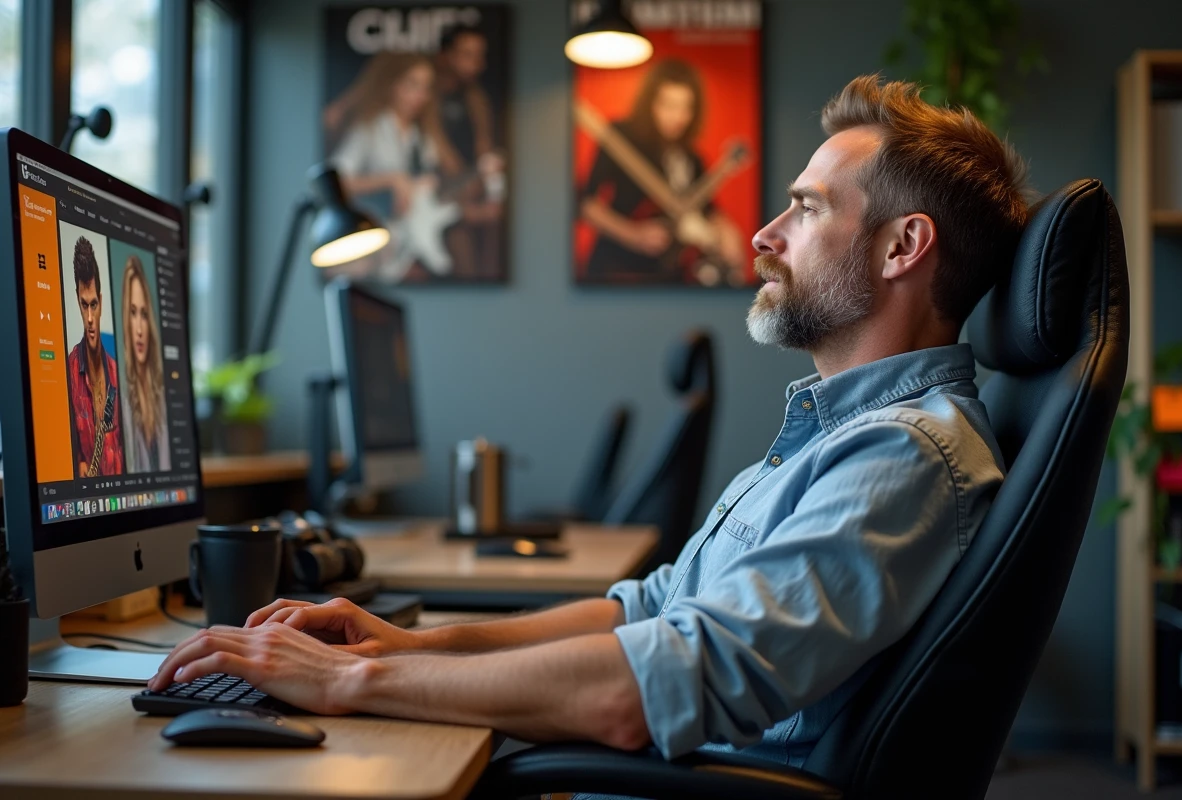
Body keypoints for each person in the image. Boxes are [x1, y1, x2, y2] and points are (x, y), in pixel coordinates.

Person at [150, 75, 1030, 770]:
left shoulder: (904, 457)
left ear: (902, 247)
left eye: (805, 208)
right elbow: (644, 612)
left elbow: (642, 690)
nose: (764, 234)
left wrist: (354, 679)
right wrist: (414, 644)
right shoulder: (842, 438)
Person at [579, 58, 746, 285]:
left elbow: (708, 209)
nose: (678, 117)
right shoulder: (620, 137)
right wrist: (633, 234)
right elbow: (587, 203)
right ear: (650, 104)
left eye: (686, 107)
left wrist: (726, 232)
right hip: (618, 273)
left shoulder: (691, 156)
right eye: (668, 105)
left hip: (671, 276)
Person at [326, 53, 446, 280]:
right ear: (392, 84)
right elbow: (336, 181)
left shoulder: (422, 139)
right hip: (372, 237)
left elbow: (429, 187)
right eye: (413, 85)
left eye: (426, 88)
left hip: (409, 240)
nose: (421, 96)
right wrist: (390, 179)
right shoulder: (369, 128)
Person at [427, 23, 505, 279]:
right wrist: (472, 182)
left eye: (479, 55)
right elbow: (443, 157)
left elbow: (485, 147)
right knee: (462, 252)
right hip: (437, 194)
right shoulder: (426, 98)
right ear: (445, 55)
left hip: (471, 190)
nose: (476, 64)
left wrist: (488, 183)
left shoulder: (476, 99)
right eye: (467, 54)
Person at [66, 235, 124, 478]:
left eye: (93, 305)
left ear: (100, 302)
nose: (90, 318)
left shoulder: (117, 372)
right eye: (83, 305)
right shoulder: (68, 371)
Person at [120, 255, 170, 473]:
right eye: (132, 313)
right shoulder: (121, 401)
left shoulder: (163, 399)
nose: (139, 329)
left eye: (143, 314)